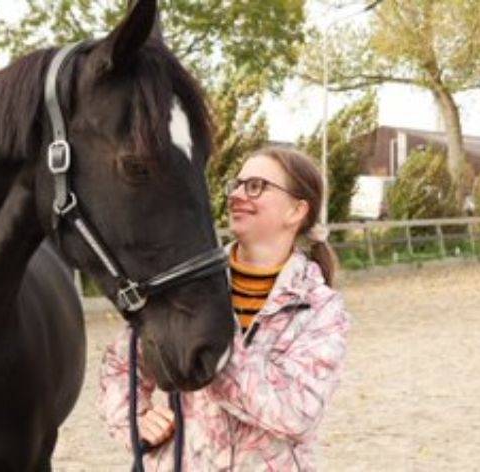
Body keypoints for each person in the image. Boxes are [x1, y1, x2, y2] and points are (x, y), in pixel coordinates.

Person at [98, 146, 352, 470]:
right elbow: (122, 366)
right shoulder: (182, 287)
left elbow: (295, 411)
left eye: (256, 186)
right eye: (237, 184)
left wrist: (209, 345)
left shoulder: (321, 310)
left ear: (296, 211)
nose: (236, 195)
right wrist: (135, 419)